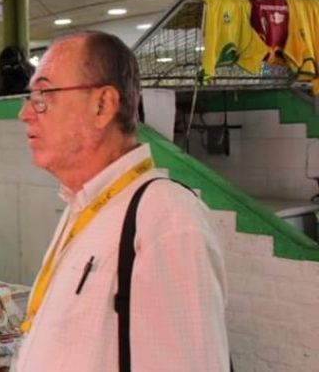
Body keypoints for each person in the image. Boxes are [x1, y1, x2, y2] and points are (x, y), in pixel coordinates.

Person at [14, 31, 229, 371]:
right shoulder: (85, 205)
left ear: (103, 105)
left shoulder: (167, 219)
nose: (25, 113)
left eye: (43, 94)